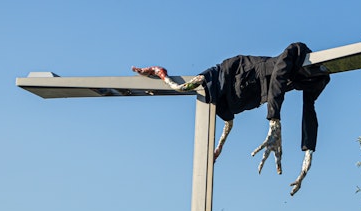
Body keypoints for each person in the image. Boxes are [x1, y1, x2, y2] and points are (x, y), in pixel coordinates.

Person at [132, 42, 330, 195]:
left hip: (242, 95)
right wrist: (274, 120)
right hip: (231, 76)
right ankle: (159, 71)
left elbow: (309, 109)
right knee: (184, 87)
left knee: (227, 118)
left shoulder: (318, 79)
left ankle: (218, 147)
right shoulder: (298, 50)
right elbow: (279, 74)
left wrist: (308, 154)